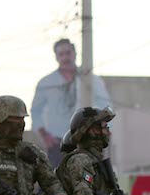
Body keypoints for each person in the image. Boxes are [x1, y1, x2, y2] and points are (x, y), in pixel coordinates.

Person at [31, 38, 113, 167]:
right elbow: (35, 111)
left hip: (87, 141)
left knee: (90, 178)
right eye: (61, 54)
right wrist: (44, 135)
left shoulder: (91, 80)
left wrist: (103, 132)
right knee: (57, 181)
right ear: (56, 57)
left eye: (68, 53)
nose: (65, 58)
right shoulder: (46, 83)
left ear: (75, 54)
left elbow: (105, 106)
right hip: (57, 144)